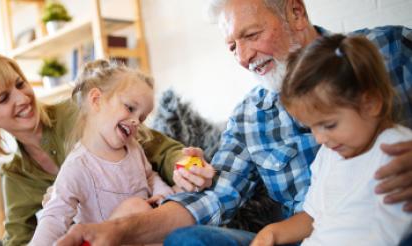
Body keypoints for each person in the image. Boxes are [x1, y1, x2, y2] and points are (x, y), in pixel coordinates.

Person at [56, 0, 412, 245]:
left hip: (389, 228)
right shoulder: (250, 115)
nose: (242, 57)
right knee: (188, 240)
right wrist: (118, 231)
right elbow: (212, 199)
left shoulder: (388, 49)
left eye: (252, 35)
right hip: (302, 236)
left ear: (296, 13)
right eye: (231, 46)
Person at [0, 53, 213, 245]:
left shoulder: (81, 111)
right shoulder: (16, 174)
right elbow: (25, 235)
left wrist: (185, 164)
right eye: (3, 98)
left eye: (20, 84)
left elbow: (158, 149)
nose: (22, 98)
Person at [250, 34, 412, 246]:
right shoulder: (329, 154)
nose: (319, 138)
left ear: (371, 102)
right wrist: (270, 233)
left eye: (329, 125)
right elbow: (313, 217)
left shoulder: (397, 151)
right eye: (311, 127)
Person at [29, 59, 180, 245]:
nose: (135, 121)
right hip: (105, 240)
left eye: (141, 117)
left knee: (178, 202)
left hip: (140, 235)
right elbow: (54, 216)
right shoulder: (78, 165)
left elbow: (149, 176)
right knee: (136, 207)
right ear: (96, 100)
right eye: (130, 108)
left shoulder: (133, 148)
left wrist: (164, 195)